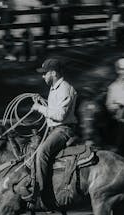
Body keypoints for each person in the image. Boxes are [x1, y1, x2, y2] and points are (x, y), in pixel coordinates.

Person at [29, 58, 78, 203]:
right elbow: (55, 108)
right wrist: (42, 100)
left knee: (42, 151)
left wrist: (39, 108)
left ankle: (43, 194)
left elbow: (60, 115)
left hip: (63, 130)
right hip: (55, 129)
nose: (43, 76)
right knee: (30, 149)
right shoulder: (55, 88)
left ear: (53, 73)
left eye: (45, 73)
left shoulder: (65, 88)